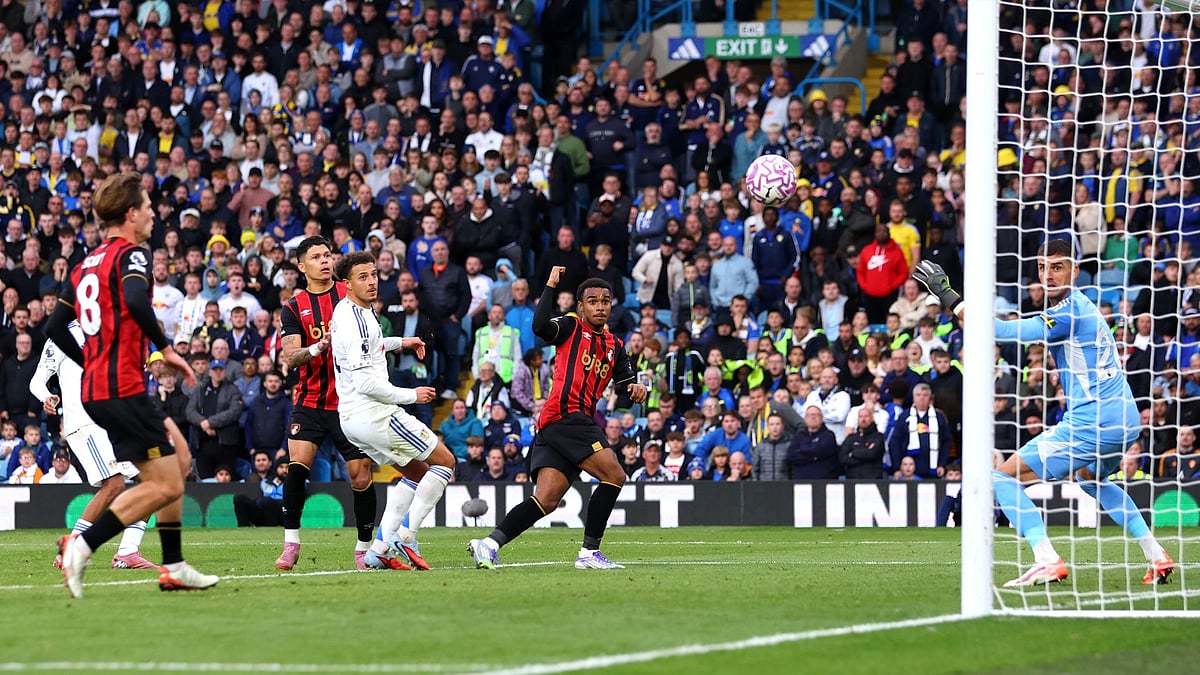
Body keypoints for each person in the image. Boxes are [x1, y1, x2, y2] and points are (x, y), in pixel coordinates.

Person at [913, 245, 1175, 587]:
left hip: (1092, 421)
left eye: (1057, 267)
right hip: (1124, 419)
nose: (1048, 274)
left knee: (1001, 478)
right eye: (1041, 267)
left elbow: (1001, 332)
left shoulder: (1069, 312)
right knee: (1090, 479)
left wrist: (948, 295)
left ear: (1075, 270)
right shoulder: (1082, 307)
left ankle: (1046, 558)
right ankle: (1156, 554)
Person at [46, 172, 217, 597]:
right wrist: (168, 349)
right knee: (167, 483)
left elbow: (54, 325)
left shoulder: (86, 262)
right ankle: (81, 546)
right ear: (130, 213)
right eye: (147, 207)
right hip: (122, 386)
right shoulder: (130, 254)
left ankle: (174, 565)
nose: (154, 215)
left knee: (178, 460)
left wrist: (90, 359)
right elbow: (138, 300)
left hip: (99, 388)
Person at [469, 266, 648, 570]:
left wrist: (637, 387)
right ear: (581, 306)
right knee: (615, 475)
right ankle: (589, 553)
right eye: (593, 301)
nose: (600, 306)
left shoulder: (616, 346)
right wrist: (550, 283)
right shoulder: (570, 327)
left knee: (547, 500)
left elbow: (626, 385)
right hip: (567, 416)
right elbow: (539, 327)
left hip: (560, 424)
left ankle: (488, 544)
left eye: (606, 301)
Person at [331, 251, 457, 571]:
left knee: (416, 472)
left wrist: (402, 341)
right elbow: (368, 384)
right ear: (346, 284)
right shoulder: (356, 320)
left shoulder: (350, 310)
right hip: (374, 412)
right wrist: (411, 395)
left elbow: (372, 346)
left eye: (373, 274)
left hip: (352, 418)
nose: (372, 281)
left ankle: (378, 550)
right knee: (445, 463)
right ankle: (406, 536)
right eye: (363, 277)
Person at [275, 236, 379, 571]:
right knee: (296, 467)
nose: (325, 261)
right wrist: (320, 347)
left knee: (360, 476)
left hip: (350, 402)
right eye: (316, 257)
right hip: (310, 399)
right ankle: (291, 544)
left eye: (328, 255)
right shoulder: (293, 307)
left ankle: (364, 549)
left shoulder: (350, 295)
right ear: (301, 265)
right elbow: (291, 358)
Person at [29, 325, 153, 569]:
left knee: (152, 481)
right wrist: (46, 396)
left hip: (113, 422)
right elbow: (37, 380)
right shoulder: (63, 334)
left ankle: (128, 552)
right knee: (114, 484)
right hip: (85, 423)